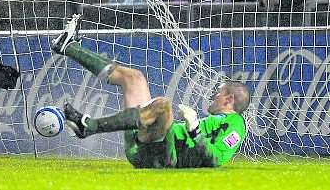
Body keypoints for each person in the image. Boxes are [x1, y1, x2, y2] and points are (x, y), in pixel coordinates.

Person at [51, 14, 250, 168]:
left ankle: (89, 125)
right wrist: (193, 128)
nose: (214, 95)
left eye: (219, 92)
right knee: (133, 79)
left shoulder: (236, 126)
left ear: (229, 99)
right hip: (152, 144)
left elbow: (215, 159)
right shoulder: (218, 121)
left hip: (163, 157)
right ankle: (68, 46)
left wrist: (194, 130)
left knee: (162, 106)